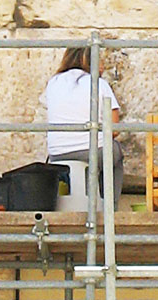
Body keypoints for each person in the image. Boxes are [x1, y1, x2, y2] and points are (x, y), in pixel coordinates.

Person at [45, 47, 123, 210]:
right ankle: (110, 209)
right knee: (114, 152)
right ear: (91, 61)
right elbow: (114, 129)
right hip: (92, 151)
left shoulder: (53, 83)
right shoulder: (99, 84)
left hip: (57, 153)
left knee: (100, 152)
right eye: (100, 60)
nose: (102, 65)